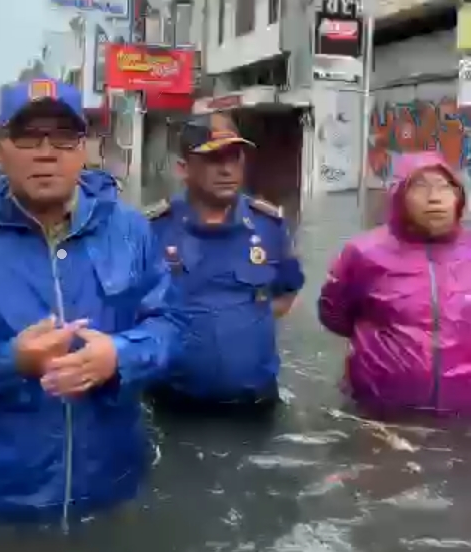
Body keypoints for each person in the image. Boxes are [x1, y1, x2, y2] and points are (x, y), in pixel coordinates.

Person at [0, 76, 176, 524]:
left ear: (84, 148)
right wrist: (9, 360)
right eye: (27, 135)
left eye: (64, 136)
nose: (46, 151)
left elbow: (172, 327)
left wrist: (118, 356)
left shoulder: (130, 232)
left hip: (111, 486)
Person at [147, 117, 304, 413]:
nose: (227, 169)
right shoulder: (153, 229)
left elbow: (287, 292)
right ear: (184, 168)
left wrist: (241, 325)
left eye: (234, 156)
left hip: (255, 405)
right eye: (212, 158)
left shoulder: (269, 226)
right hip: (175, 406)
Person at [318, 151, 471, 415]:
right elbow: (334, 315)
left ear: (459, 197)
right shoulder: (364, 253)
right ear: (399, 196)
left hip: (463, 415)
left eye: (444, 186)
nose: (434, 198)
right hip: (381, 415)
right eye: (420, 186)